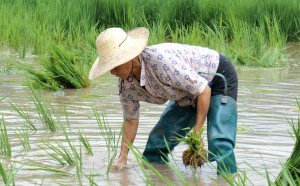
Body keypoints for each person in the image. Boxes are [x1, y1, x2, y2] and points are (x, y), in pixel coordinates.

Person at [89, 27, 239, 175]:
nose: (112, 72)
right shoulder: (126, 86)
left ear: (129, 57)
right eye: (109, 67)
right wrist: (123, 156)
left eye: (115, 65)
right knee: (155, 146)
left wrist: (197, 134)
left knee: (219, 143)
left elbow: (203, 89)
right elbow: (130, 120)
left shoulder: (159, 62)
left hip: (216, 76)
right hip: (185, 94)